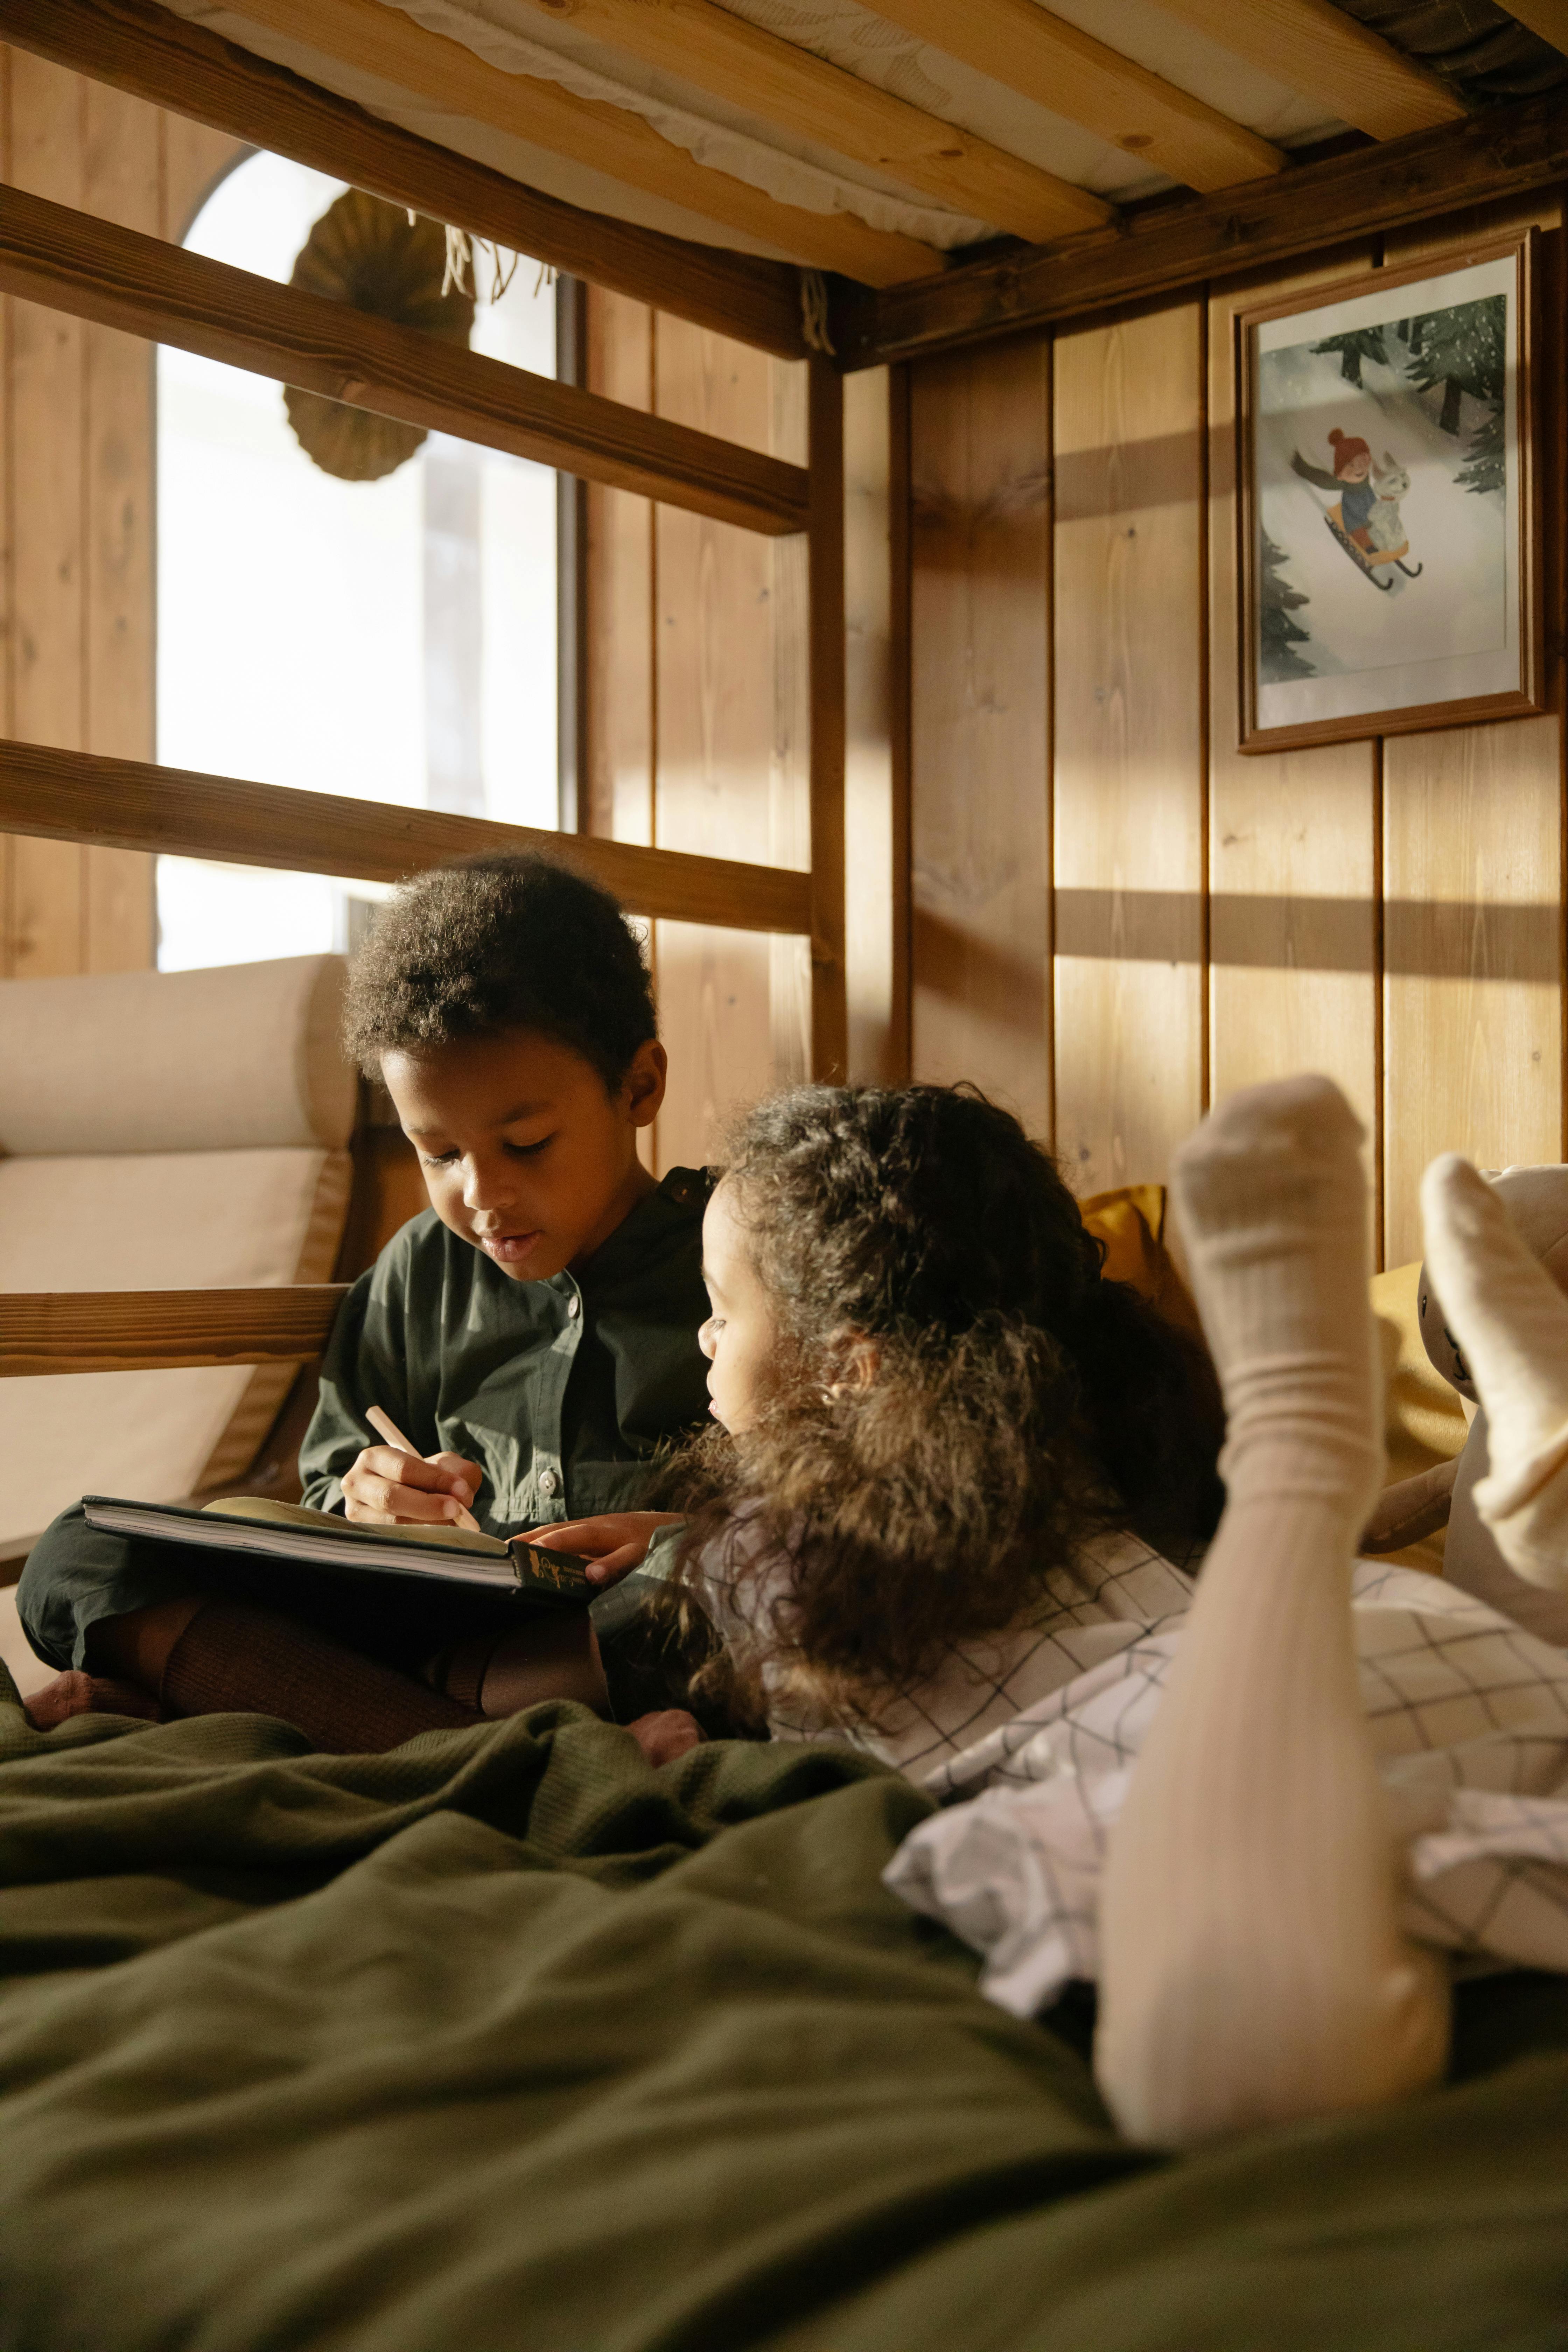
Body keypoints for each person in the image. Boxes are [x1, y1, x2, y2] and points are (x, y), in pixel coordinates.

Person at [17, 853, 713, 1755]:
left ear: (639, 1087)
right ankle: (489, 1752)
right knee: (76, 1553)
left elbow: (827, 1512)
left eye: (527, 1143)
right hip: (430, 1628)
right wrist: (365, 1502)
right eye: (437, 1154)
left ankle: (304, 1707)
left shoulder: (736, 1252)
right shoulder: (422, 1267)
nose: (481, 1194)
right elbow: (328, 1486)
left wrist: (687, 1537)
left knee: (707, 1603)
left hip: (622, 1628)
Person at [551, 1083, 1225, 1784]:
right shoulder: (1103, 1470)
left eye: (722, 1310)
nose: (703, 1337)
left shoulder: (788, 1554)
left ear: (847, 1365)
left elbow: (835, 1812)